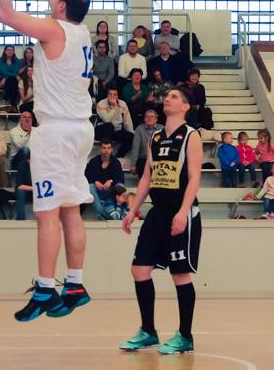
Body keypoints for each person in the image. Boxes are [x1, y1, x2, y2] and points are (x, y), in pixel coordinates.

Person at [0, 0, 94, 321]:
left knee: (47, 213)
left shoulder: (54, 30)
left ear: (63, 7)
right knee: (71, 210)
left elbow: (6, 14)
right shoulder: (81, 31)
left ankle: (44, 289)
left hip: (55, 132)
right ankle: (75, 284)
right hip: (80, 129)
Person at [120, 86, 203, 355]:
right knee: (139, 269)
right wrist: (133, 209)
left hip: (181, 211)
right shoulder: (155, 137)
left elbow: (195, 178)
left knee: (179, 274)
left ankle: (185, 336)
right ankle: (148, 331)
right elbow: (147, 176)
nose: (168, 99)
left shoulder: (191, 136)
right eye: (167, 96)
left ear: (186, 107)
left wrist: (182, 212)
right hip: (157, 212)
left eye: (174, 97)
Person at [84, 139, 126, 219]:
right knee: (90, 186)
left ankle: (120, 210)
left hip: (111, 191)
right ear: (100, 149)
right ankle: (101, 211)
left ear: (112, 149)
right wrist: (95, 182)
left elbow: (121, 179)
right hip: (97, 192)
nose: (106, 151)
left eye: (109, 148)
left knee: (120, 185)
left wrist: (111, 181)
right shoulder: (93, 162)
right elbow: (87, 176)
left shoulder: (116, 162)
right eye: (104, 148)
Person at [95, 87, 134, 158]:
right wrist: (114, 107)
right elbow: (106, 120)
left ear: (117, 96)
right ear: (107, 95)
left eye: (115, 94)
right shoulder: (101, 104)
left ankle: (118, 156)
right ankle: (106, 155)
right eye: (110, 94)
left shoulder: (122, 104)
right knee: (109, 126)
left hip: (116, 130)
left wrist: (130, 133)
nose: (112, 96)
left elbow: (127, 121)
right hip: (102, 130)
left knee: (131, 137)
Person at [128, 109, 162, 177]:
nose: (149, 118)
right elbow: (136, 147)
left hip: (158, 159)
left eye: (152, 117)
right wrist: (133, 165)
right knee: (141, 167)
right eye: (147, 116)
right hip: (143, 159)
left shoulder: (162, 129)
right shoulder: (139, 129)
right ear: (144, 119)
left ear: (156, 119)